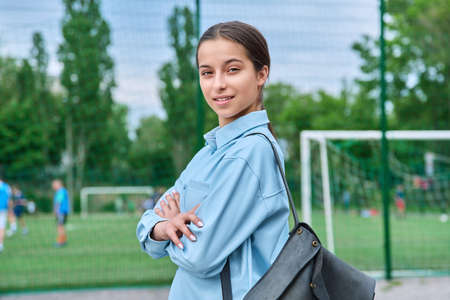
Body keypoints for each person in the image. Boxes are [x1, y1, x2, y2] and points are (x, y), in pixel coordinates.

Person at [136, 21, 290, 299]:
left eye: (232, 70)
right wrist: (163, 227)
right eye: (207, 73)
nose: (218, 84)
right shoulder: (208, 153)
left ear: (261, 74)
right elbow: (148, 227)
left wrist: (168, 229)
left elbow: (200, 256)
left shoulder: (253, 152)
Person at [52, 179, 70, 247]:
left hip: (61, 211)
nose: (53, 186)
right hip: (63, 211)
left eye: (54, 184)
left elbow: (59, 201)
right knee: (61, 226)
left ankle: (60, 242)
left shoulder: (61, 191)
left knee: (59, 226)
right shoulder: (63, 191)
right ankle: (63, 240)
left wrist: (55, 210)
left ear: (59, 184)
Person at [0, 177, 11, 252]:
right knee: (1, 227)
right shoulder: (7, 187)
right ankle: (0, 245)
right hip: (3, 209)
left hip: (3, 209)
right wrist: (10, 209)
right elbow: (9, 200)